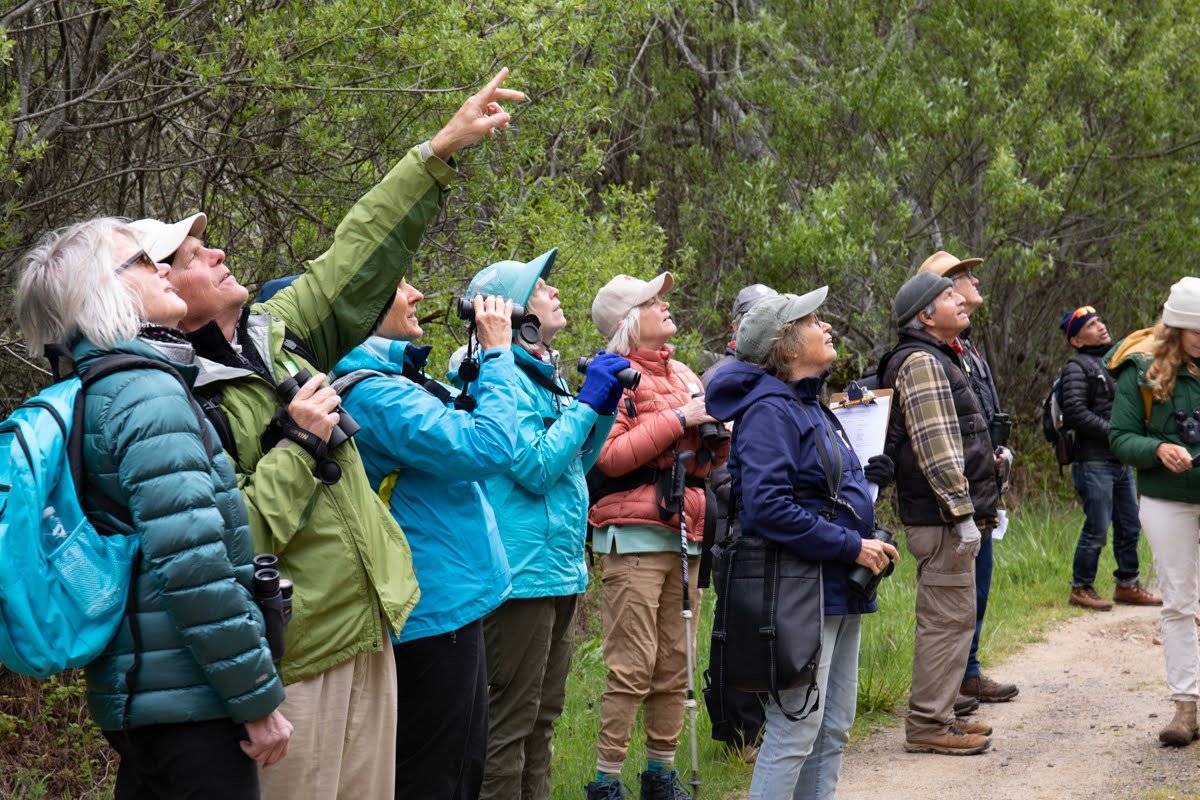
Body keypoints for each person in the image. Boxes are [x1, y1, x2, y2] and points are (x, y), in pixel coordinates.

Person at [130, 69, 524, 799]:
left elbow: (354, 256)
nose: (217, 253)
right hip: (295, 660)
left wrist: (437, 150)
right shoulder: (169, 395)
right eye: (191, 256)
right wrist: (298, 447)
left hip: (368, 629)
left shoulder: (273, 337)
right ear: (153, 293)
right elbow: (224, 537)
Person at [15, 218, 291, 798]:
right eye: (142, 261)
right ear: (106, 292)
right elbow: (193, 567)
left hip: (143, 699)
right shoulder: (147, 393)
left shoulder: (101, 385)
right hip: (191, 706)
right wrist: (257, 699)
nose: (163, 268)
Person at [705, 288, 900, 799]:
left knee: (831, 728)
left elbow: (821, 492)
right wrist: (850, 546)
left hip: (835, 589)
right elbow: (767, 509)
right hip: (800, 592)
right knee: (794, 730)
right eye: (813, 320)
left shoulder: (807, 403)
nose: (827, 326)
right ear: (787, 346)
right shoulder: (770, 410)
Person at [329, 284, 519, 799]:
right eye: (397, 285)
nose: (416, 293)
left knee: (458, 766)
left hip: (449, 602)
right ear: (360, 303)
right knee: (436, 777)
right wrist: (498, 353)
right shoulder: (372, 393)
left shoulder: (396, 376)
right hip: (431, 609)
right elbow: (490, 445)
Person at [455, 251, 628, 800]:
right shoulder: (491, 376)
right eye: (541, 285)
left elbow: (575, 464)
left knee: (542, 721)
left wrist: (600, 408)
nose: (554, 291)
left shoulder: (540, 375)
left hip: (557, 572)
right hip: (520, 575)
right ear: (512, 312)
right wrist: (586, 406)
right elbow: (532, 468)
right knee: (511, 724)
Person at [585, 272, 728, 800]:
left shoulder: (685, 372)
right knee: (632, 665)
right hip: (634, 536)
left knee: (676, 663)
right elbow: (609, 456)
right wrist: (677, 418)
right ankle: (604, 783)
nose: (665, 304)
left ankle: (660, 776)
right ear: (629, 321)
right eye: (652, 300)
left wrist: (716, 439)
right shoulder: (612, 376)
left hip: (685, 531)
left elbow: (702, 464)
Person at [877, 271, 999, 755]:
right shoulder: (923, 362)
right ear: (925, 315)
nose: (961, 300)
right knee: (945, 621)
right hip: (942, 518)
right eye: (949, 296)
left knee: (953, 618)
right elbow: (936, 446)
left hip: (944, 515)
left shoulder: (938, 357)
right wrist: (962, 511)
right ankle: (928, 723)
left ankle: (941, 715)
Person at [917, 251, 1018, 705]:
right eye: (960, 277)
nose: (973, 281)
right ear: (938, 293)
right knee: (954, 597)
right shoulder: (932, 354)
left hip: (981, 483)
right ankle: (949, 685)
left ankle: (969, 670)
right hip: (952, 492)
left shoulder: (968, 346)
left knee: (978, 586)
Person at [1109, 276, 1200, 747]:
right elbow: (1120, 436)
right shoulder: (1142, 368)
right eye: (1197, 334)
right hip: (1168, 497)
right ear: (1177, 330)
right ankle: (1186, 706)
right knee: (1180, 601)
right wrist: (1158, 447)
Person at [698, 282, 777, 761]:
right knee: (737, 629)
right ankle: (740, 734)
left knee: (766, 625)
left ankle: (765, 727)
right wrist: (754, 496)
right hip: (734, 524)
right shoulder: (721, 377)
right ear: (738, 327)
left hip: (761, 520)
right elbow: (717, 463)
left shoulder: (775, 375)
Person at [1058, 305, 1160, 611]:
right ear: (1076, 340)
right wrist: (1117, 432)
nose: (1100, 326)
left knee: (1130, 525)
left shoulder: (1114, 363)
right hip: (1092, 462)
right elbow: (1075, 412)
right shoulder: (1076, 368)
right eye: (1089, 325)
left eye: (1099, 320)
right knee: (1097, 527)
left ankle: (1127, 584)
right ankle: (1081, 587)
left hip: (1120, 462)